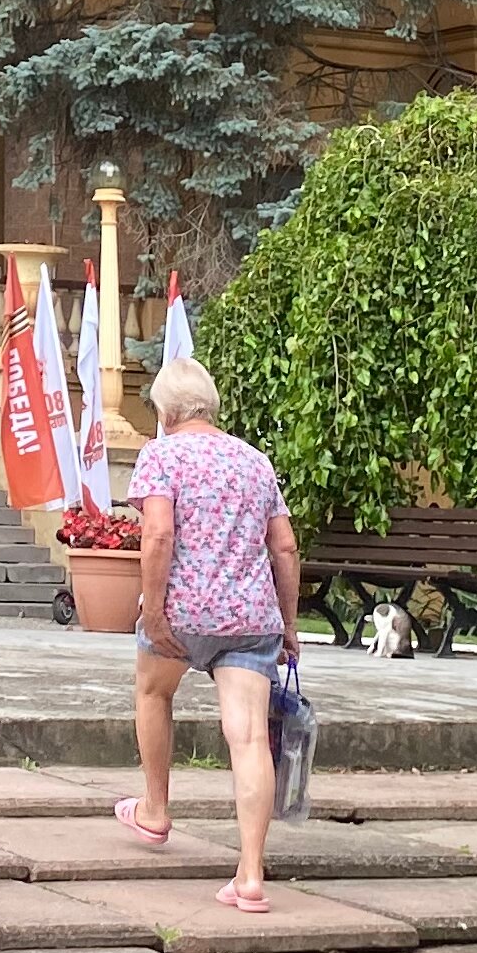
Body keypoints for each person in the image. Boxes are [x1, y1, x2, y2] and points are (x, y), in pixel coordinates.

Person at [112, 353, 300, 913]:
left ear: (164, 411)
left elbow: (158, 536)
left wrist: (153, 612)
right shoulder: (255, 461)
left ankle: (155, 809)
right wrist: (289, 625)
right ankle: (250, 875)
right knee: (249, 739)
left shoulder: (161, 454)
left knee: (154, 692)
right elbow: (285, 547)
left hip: (183, 615)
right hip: (250, 620)